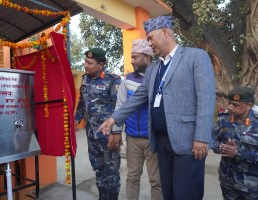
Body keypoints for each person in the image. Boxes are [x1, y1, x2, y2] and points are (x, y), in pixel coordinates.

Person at [99, 15, 216, 200]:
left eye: (151, 37)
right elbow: (138, 97)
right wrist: (114, 119)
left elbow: (206, 98)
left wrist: (201, 137)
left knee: (186, 194)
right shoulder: (154, 69)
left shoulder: (195, 57)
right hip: (161, 143)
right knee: (168, 193)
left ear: (164, 32)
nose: (149, 43)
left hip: (187, 142)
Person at [112, 39, 163, 200]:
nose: (132, 61)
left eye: (135, 57)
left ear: (147, 57)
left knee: (156, 181)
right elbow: (120, 106)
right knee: (132, 177)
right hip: (132, 138)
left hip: (153, 138)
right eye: (132, 57)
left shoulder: (160, 76)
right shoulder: (127, 79)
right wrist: (116, 131)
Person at [74, 48, 122, 200]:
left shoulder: (113, 80)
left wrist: (116, 133)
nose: (86, 65)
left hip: (108, 136)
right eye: (85, 62)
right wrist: (75, 120)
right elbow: (82, 103)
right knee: (98, 170)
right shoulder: (85, 79)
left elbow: (120, 109)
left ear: (101, 64)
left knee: (111, 173)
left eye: (90, 63)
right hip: (91, 135)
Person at [212, 86, 258, 199]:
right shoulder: (224, 119)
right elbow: (212, 139)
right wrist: (220, 148)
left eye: (236, 105)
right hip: (228, 181)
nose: (230, 107)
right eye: (229, 103)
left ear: (249, 106)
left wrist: (238, 153)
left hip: (252, 185)